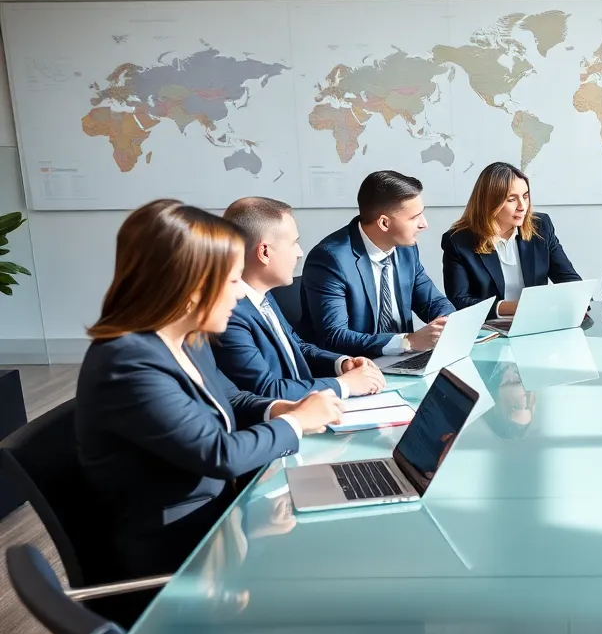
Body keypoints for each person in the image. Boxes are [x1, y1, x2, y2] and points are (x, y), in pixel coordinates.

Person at [76, 200, 342, 590]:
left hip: (221, 523)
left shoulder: (185, 339)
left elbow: (231, 398)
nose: (239, 296)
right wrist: (295, 422)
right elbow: (219, 454)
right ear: (192, 286)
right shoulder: (127, 364)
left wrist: (278, 409)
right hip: (180, 557)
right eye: (233, 281)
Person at [212, 197, 387, 401]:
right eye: (294, 243)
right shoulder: (229, 314)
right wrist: (345, 385)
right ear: (265, 252)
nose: (300, 252)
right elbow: (266, 391)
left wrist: (341, 363)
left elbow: (297, 347)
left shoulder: (262, 295)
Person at [303, 171, 455, 358]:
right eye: (414, 217)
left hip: (404, 360)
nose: (424, 224)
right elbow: (334, 336)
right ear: (384, 223)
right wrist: (408, 341)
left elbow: (433, 301)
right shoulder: (330, 259)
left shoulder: (405, 249)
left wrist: (445, 322)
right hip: (357, 366)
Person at [443, 161, 582, 318]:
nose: (522, 206)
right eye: (511, 199)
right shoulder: (458, 241)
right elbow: (459, 301)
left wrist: (578, 300)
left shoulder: (541, 226)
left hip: (537, 322)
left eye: (525, 196)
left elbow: (568, 279)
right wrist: (515, 308)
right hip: (488, 328)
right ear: (489, 202)